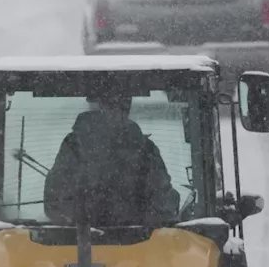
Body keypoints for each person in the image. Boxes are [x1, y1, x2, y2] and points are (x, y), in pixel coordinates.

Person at [42, 94, 180, 226]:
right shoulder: (145, 149)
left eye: (120, 105)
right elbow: (164, 204)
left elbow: (56, 201)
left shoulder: (73, 145)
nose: (116, 113)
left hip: (78, 243)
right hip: (135, 243)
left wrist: (84, 224)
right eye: (117, 105)